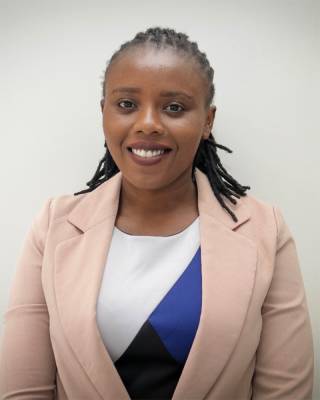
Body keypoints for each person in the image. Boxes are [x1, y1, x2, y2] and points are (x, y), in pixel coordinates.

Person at [0, 27, 314, 400]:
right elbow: (23, 389)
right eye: (127, 104)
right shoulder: (55, 226)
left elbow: (284, 392)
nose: (148, 123)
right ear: (104, 113)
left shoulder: (264, 229)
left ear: (208, 122)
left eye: (174, 107)